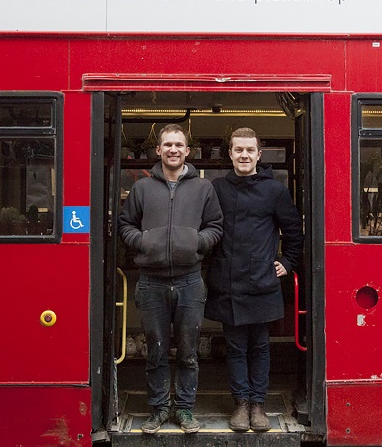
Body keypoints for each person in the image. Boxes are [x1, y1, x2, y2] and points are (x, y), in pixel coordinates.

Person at [118, 123, 223, 434]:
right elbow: (126, 226)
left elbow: (215, 227)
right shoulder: (142, 188)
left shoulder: (203, 188)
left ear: (187, 151)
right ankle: (159, 409)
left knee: (189, 352)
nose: (173, 149)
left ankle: (186, 410)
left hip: (191, 280)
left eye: (179, 144)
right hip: (151, 282)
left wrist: (196, 242)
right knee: (157, 350)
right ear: (158, 150)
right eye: (168, 145)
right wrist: (144, 242)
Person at [205, 128, 303, 433]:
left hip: (262, 282)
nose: (244, 155)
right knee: (234, 347)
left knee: (260, 346)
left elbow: (294, 230)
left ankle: (258, 404)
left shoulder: (275, 191)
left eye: (250, 150)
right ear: (230, 154)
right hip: (228, 282)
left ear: (259, 155)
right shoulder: (217, 188)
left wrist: (287, 262)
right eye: (238, 150)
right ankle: (241, 404)